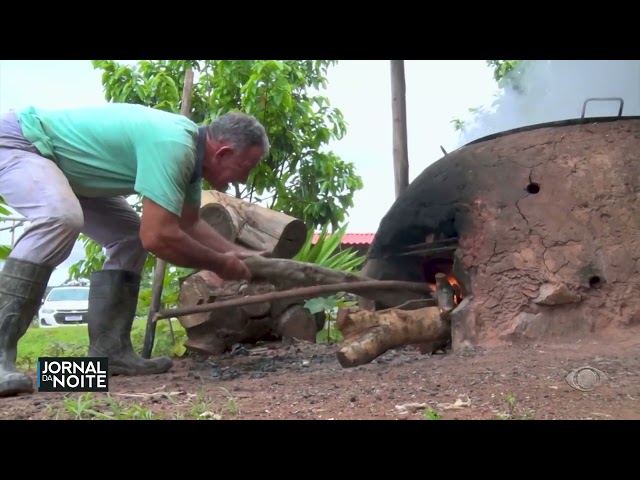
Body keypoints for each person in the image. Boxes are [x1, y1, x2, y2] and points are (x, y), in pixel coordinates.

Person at [0, 102, 270, 398]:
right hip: (22, 143)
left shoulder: (192, 158)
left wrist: (239, 253)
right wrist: (220, 264)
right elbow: (158, 237)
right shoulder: (173, 143)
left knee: (128, 237)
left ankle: (109, 354)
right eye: (246, 168)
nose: (243, 179)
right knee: (60, 218)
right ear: (223, 153)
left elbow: (189, 223)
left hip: (66, 168)